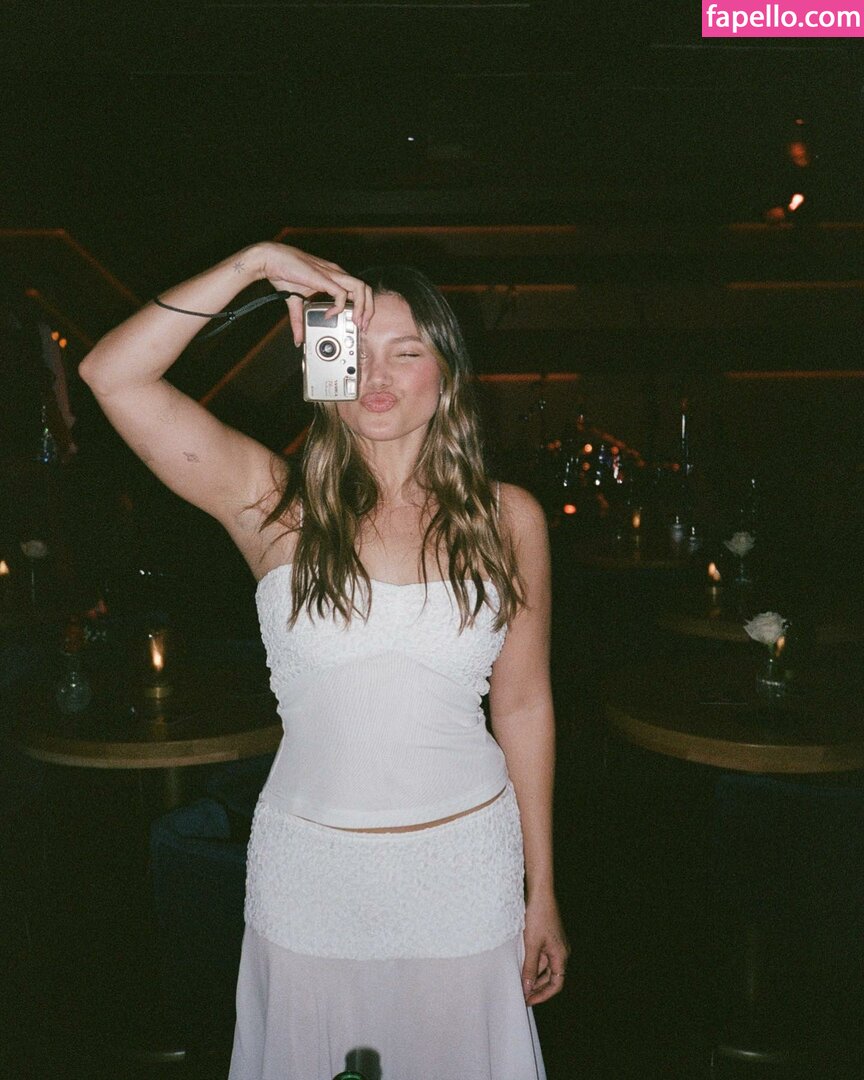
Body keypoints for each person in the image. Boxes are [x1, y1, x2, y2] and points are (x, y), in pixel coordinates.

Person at [79, 241, 569, 1080]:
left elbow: (523, 706)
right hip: (311, 877)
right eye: (355, 348)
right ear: (320, 361)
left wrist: (542, 886)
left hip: (465, 872)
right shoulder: (271, 503)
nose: (377, 375)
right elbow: (111, 376)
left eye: (406, 352)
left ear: (448, 373)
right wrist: (253, 265)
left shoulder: (507, 517)